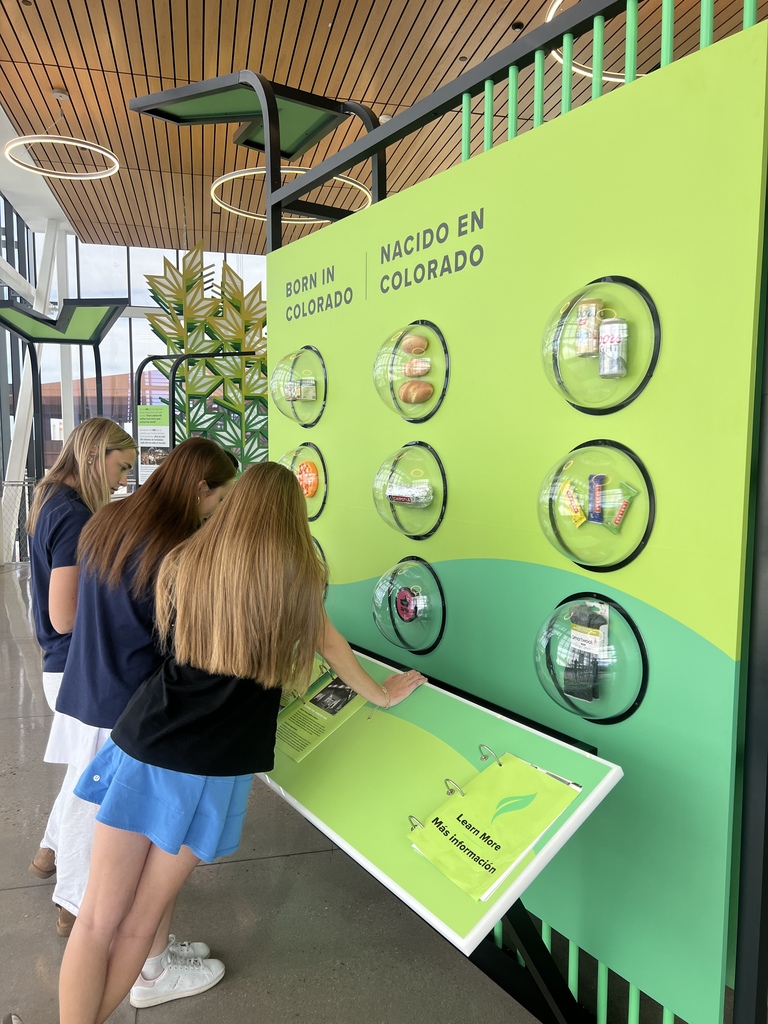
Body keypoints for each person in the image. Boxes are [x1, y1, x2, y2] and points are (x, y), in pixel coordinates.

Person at [46, 461, 424, 1024]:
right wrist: (385, 696)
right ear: (293, 520)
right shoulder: (298, 584)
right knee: (139, 920)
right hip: (209, 769)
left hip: (142, 742)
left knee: (97, 918)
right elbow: (337, 653)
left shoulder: (185, 562)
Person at [41, 436, 237, 970]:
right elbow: (180, 641)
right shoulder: (174, 543)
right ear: (201, 486)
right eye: (219, 499)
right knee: (145, 844)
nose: (218, 512)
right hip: (138, 711)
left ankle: (145, 948)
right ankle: (137, 959)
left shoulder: (110, 517)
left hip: (90, 687)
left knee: (106, 827)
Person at [25, 418, 136, 918]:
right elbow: (65, 614)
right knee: (93, 783)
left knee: (82, 768)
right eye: (121, 466)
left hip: (61, 666)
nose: (122, 481)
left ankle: (49, 853)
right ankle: (73, 900)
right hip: (79, 667)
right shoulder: (74, 515)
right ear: (96, 454)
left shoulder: (51, 501)